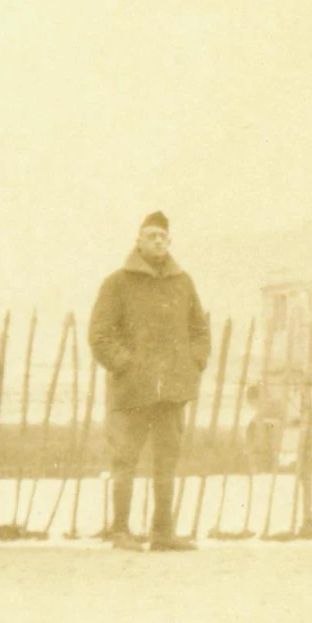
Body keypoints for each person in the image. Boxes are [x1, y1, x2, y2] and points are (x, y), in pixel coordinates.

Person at [90, 212, 210, 552]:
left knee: (166, 461)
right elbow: (99, 335)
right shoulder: (117, 283)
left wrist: (194, 362)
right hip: (133, 390)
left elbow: (200, 330)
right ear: (138, 241)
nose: (158, 241)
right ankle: (120, 532)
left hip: (172, 390)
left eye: (163, 236)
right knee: (125, 460)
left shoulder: (183, 283)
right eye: (151, 235)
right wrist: (125, 365)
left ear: (169, 242)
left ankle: (163, 533)